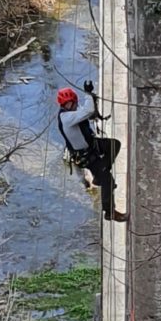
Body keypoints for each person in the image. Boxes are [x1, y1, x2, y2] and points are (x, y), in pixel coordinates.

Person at [56, 82, 126, 220]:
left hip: (92, 146)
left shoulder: (73, 112)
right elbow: (87, 111)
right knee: (108, 181)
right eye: (68, 105)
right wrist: (88, 94)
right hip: (85, 155)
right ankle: (109, 212)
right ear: (63, 106)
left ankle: (100, 174)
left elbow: (87, 113)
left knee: (114, 145)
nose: (71, 106)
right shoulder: (67, 118)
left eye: (72, 103)